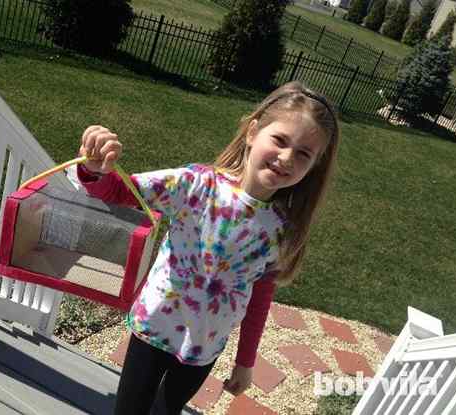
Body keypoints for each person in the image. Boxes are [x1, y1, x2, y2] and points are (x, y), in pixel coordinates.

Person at [76, 81, 340, 415]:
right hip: (153, 329)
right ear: (252, 133)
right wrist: (95, 169)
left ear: (313, 165)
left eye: (303, 154)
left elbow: (260, 296)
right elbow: (118, 192)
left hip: (204, 349)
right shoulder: (195, 185)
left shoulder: (282, 230)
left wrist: (245, 362)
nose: (287, 157)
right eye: (280, 140)